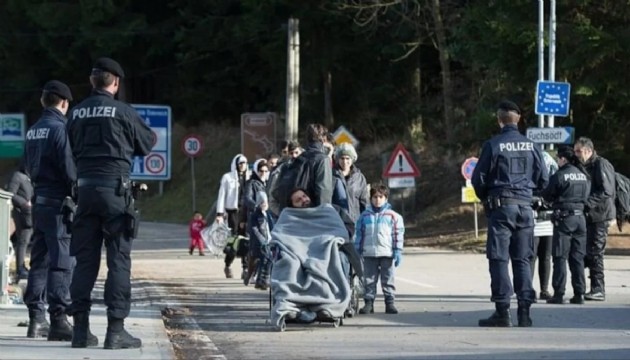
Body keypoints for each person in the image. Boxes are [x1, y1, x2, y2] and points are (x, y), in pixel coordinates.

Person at [66, 58, 153, 349]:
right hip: (116, 192)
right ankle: (115, 331)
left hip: (85, 192)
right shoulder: (124, 112)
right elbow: (147, 142)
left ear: (93, 82)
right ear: (115, 82)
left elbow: (68, 151)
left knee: (84, 261)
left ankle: (80, 331)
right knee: (118, 260)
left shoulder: (76, 113)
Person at [471, 100, 549, 328]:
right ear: (519, 119)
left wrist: (486, 197)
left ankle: (502, 311)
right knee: (523, 259)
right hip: (525, 208)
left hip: (501, 208)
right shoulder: (532, 146)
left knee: (499, 258)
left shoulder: (493, 145)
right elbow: (544, 179)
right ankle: (524, 313)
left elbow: (478, 179)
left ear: (499, 119)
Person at [22, 80, 76, 341]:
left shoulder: (33, 130)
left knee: (39, 261)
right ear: (63, 102)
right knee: (61, 262)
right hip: (57, 203)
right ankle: (59, 319)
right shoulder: (60, 129)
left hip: (39, 200)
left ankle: (36, 319)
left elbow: (27, 166)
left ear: (44, 101)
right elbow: (69, 169)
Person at [541, 146, 590, 305]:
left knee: (560, 257)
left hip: (564, 219)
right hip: (581, 219)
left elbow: (547, 195)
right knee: (577, 258)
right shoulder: (583, 175)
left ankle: (559, 294)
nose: (557, 161)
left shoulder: (560, 175)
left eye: (558, 159)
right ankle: (579, 293)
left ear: (563, 159)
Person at [573, 137, 616, 301]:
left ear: (588, 151)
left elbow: (606, 190)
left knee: (596, 252)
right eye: (575, 151)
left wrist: (586, 204)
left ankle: (598, 288)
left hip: (601, 215)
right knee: (587, 251)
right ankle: (588, 286)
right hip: (590, 215)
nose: (576, 155)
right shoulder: (583, 166)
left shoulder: (600, 164)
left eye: (579, 151)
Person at [354, 183, 405, 315]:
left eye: (380, 197)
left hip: (387, 253)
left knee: (387, 279)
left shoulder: (393, 216)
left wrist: (397, 250)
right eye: (375, 197)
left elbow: (397, 234)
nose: (377, 200)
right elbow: (359, 233)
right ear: (370, 199)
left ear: (386, 198)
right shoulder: (364, 216)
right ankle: (369, 303)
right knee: (369, 280)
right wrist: (357, 249)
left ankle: (389, 303)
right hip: (369, 253)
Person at [216, 154, 251, 279]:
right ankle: (228, 264)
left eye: (244, 163)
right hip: (232, 213)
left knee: (246, 239)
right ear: (235, 164)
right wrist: (220, 214)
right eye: (240, 163)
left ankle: (245, 268)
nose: (242, 166)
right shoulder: (227, 178)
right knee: (234, 240)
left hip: (246, 212)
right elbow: (222, 195)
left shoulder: (250, 177)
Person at [531, 151, 559, 301]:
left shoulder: (554, 181)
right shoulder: (529, 179)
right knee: (531, 257)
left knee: (545, 257)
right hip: (533, 222)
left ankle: (544, 289)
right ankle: (528, 289)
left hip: (548, 223)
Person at [243, 159, 269, 284]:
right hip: (255, 220)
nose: (263, 173)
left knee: (266, 247)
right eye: (260, 170)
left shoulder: (268, 183)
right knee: (256, 248)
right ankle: (250, 272)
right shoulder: (251, 183)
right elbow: (247, 199)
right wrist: (257, 206)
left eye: (265, 170)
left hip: (267, 220)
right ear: (256, 170)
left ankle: (261, 275)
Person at [6, 163, 34, 284]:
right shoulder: (18, 176)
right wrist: (24, 203)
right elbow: (10, 194)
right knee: (22, 241)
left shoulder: (30, 178)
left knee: (28, 241)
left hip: (32, 214)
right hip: (22, 214)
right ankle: (20, 268)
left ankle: (26, 266)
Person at [332, 143, 369, 225]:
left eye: (347, 158)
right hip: (337, 222)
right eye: (342, 158)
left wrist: (366, 221)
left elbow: (364, 202)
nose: (345, 161)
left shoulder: (359, 178)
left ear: (352, 159)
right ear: (338, 159)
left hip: (355, 222)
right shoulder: (331, 175)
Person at [300, 123, 333, 207]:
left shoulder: (299, 158)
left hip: (297, 209)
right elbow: (323, 191)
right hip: (314, 211)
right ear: (323, 139)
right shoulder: (322, 159)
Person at [249, 192, 275, 290]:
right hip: (260, 243)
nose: (264, 205)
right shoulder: (255, 215)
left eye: (265, 203)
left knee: (269, 261)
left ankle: (264, 281)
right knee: (264, 260)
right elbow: (254, 229)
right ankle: (261, 281)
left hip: (269, 240)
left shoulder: (268, 214)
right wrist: (261, 240)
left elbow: (271, 226)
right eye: (262, 203)